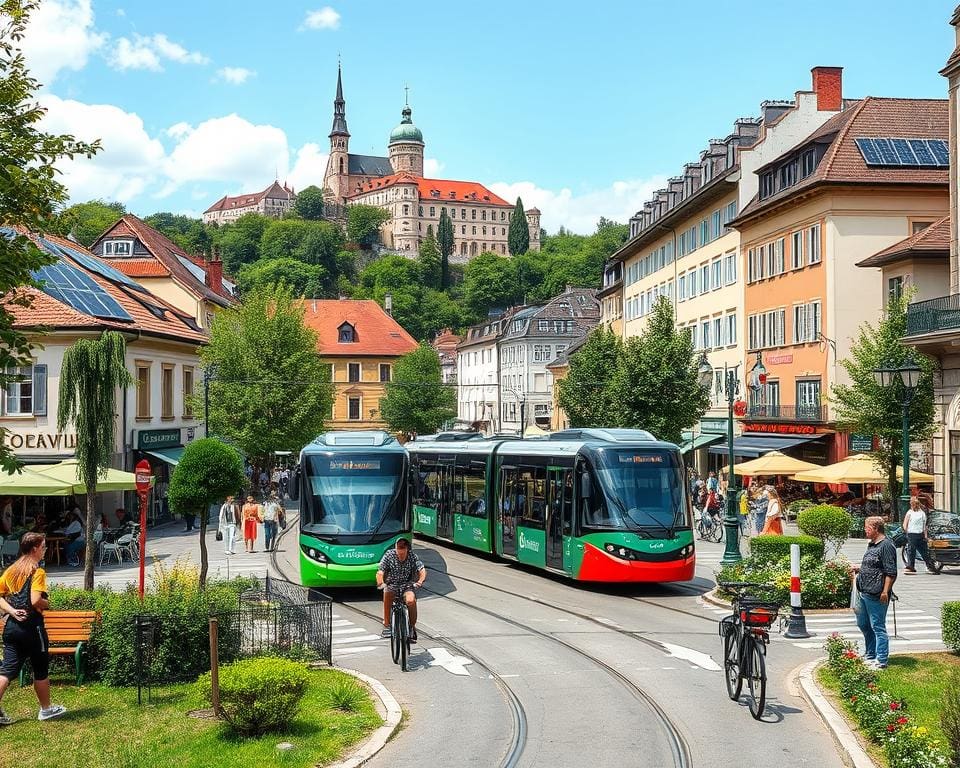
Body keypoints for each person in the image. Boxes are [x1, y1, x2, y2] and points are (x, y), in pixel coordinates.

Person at [0, 533, 67, 725]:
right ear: (35, 548)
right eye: (44, 546)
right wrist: (47, 603)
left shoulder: (11, 571)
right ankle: (46, 710)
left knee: (6, 671)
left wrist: (12, 611)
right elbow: (35, 600)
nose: (45, 550)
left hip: (12, 628)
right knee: (40, 669)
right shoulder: (37, 572)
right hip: (32, 628)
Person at [852, 516, 898, 670]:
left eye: (867, 528)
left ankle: (881, 659)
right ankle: (870, 653)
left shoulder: (886, 545)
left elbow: (890, 572)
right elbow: (873, 565)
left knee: (878, 626)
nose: (865, 530)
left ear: (876, 528)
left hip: (877, 594)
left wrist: (885, 591)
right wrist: (859, 568)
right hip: (864, 591)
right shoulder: (872, 544)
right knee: (864, 624)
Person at [376, 538, 426, 643]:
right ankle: (387, 624)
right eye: (399, 549)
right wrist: (381, 582)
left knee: (411, 601)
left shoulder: (412, 556)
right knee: (387, 592)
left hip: (406, 585)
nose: (401, 553)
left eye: (403, 550)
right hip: (392, 584)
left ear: (407, 549)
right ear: (396, 548)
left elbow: (421, 570)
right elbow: (380, 571)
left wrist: (420, 581)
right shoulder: (389, 555)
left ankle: (412, 626)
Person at [902, 497, 938, 574]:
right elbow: (924, 526)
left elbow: (905, 524)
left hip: (912, 534)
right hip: (919, 534)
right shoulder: (922, 514)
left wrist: (907, 532)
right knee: (924, 551)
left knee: (911, 551)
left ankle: (911, 567)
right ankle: (931, 567)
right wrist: (925, 536)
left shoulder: (910, 513)